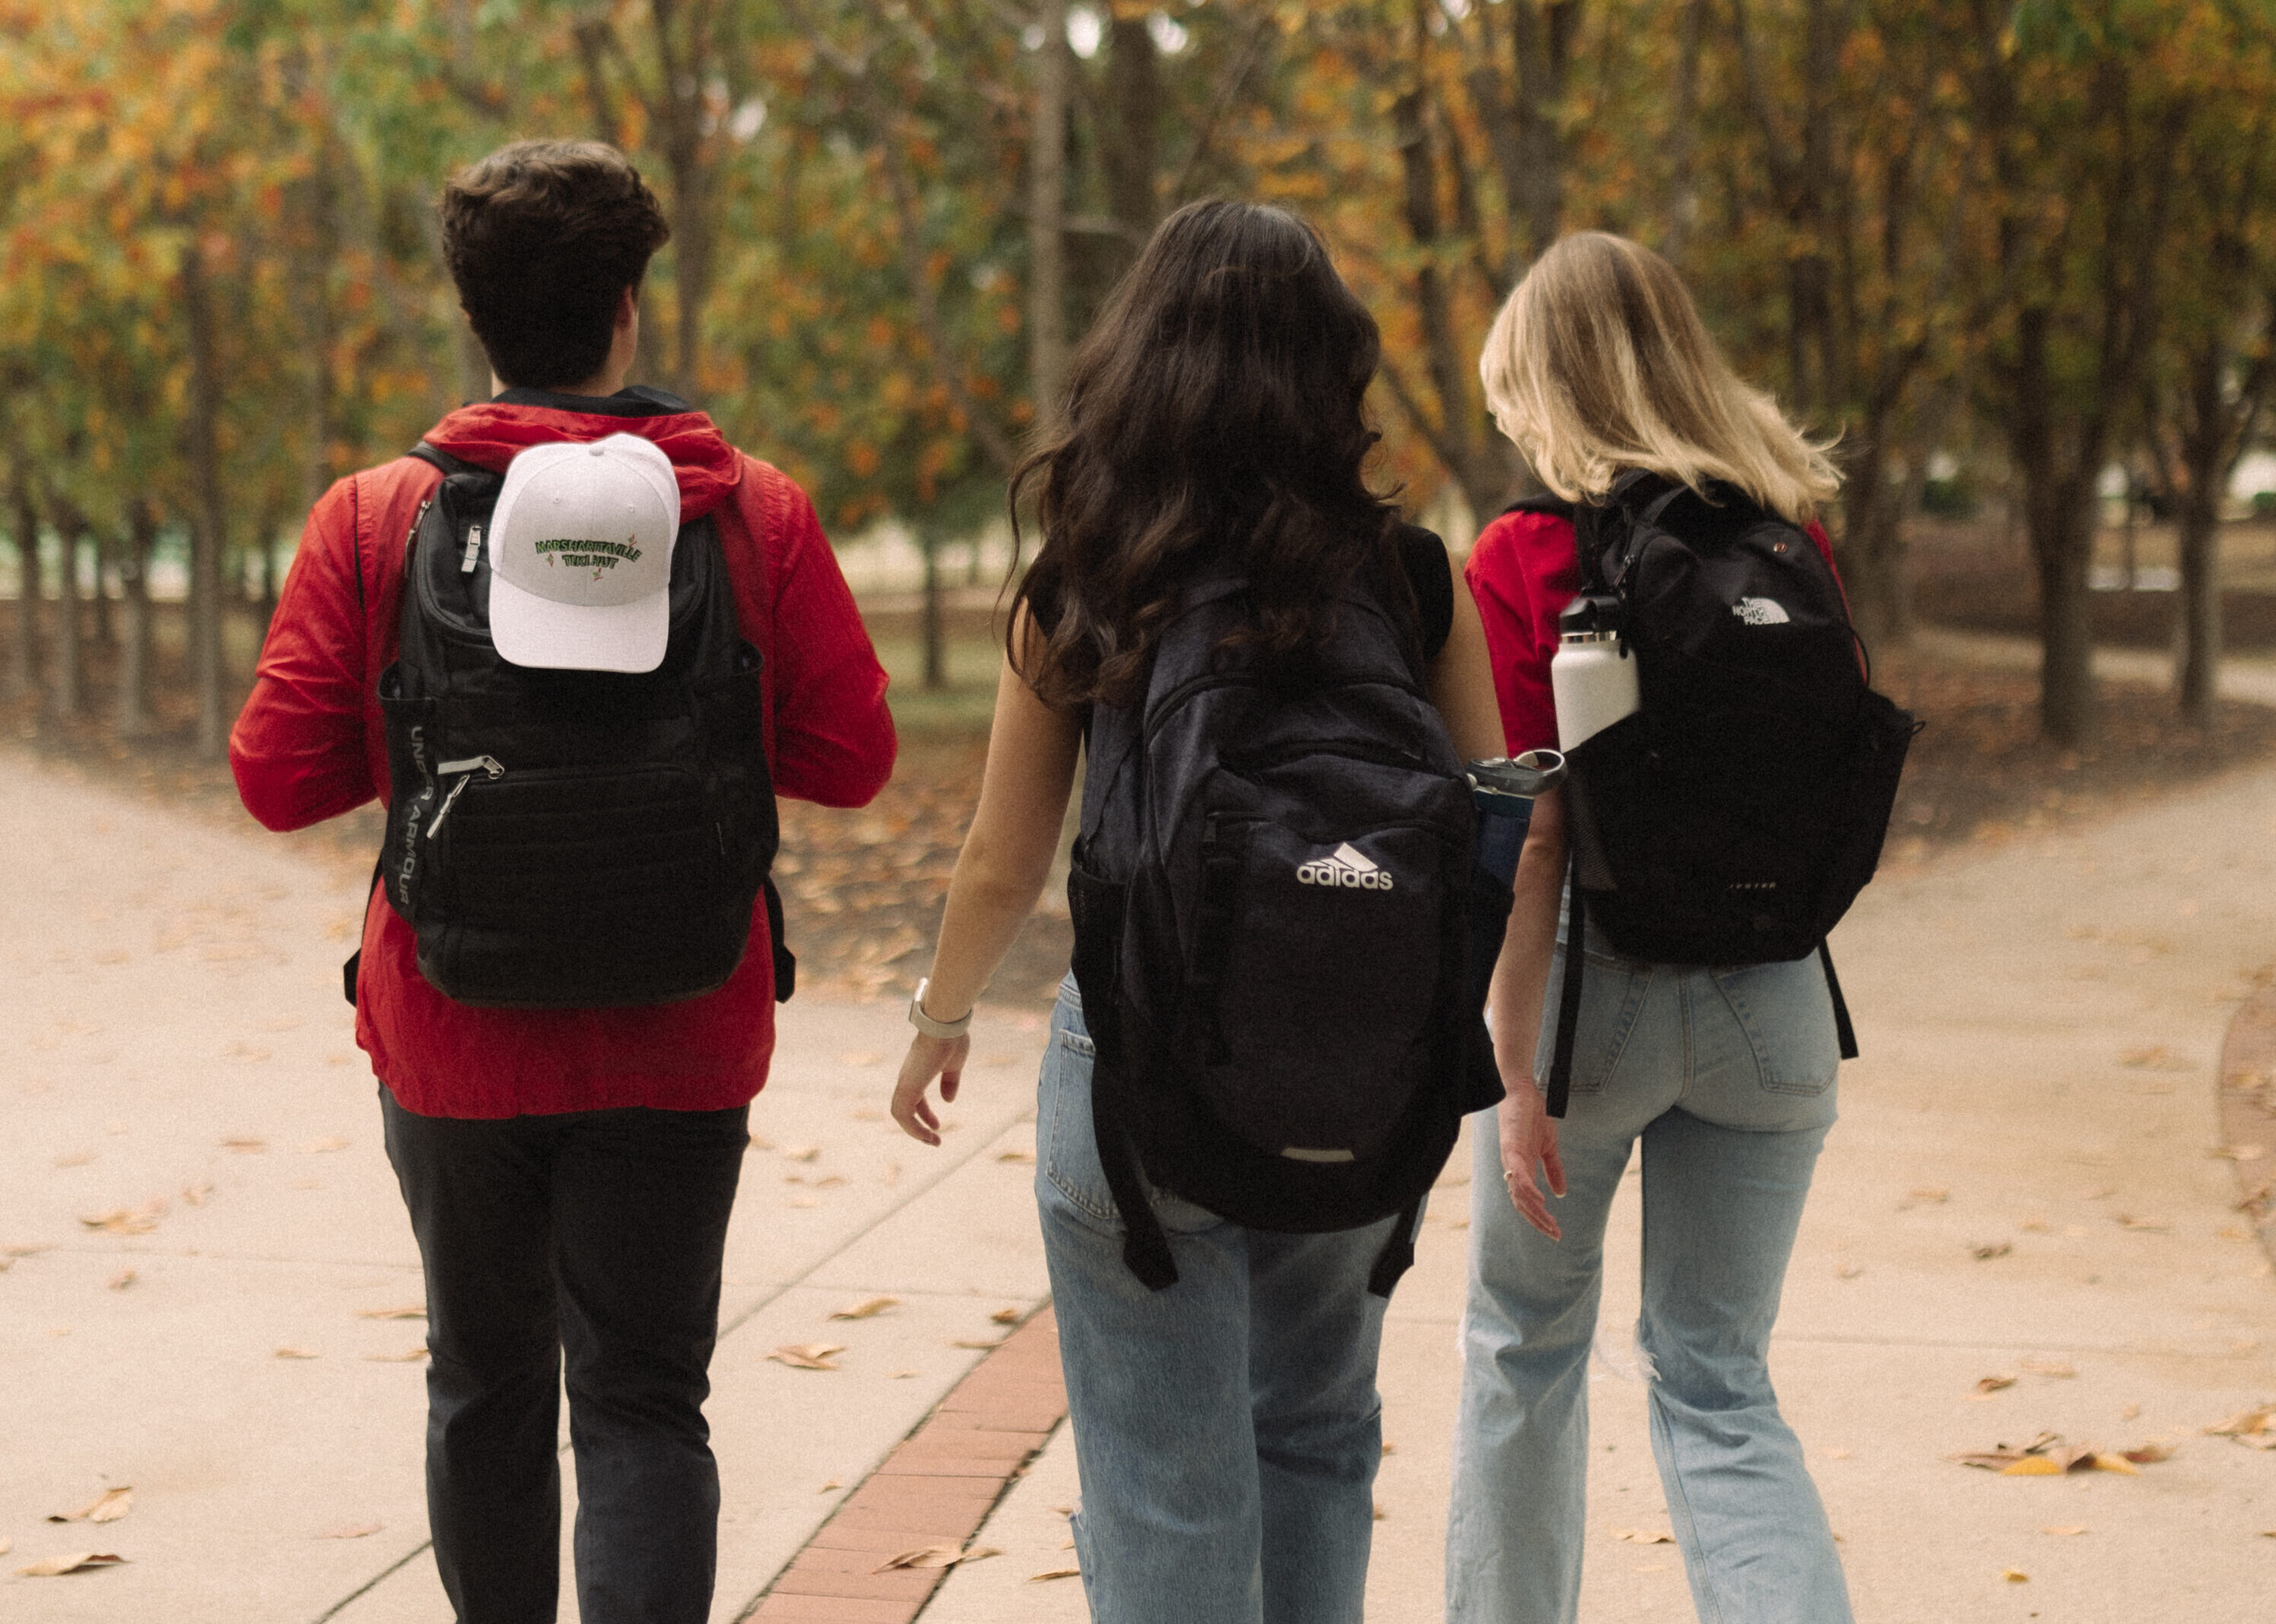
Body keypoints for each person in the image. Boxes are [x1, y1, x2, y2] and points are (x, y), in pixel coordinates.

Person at [229, 140, 895, 1623]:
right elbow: (850, 757)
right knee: (647, 1400)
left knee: (483, 1388)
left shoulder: (373, 519)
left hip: (451, 1036)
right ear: (628, 308)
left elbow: (276, 779)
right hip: (681, 1025)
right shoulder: (753, 512)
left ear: (474, 318)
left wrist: (422, 748)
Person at [886, 198, 1511, 1624]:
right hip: (1362, 1067)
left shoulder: (1091, 581)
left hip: (1137, 1069)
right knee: (1315, 1438)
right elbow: (1487, 827)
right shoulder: (1414, 581)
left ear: (1144, 362)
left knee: (1169, 1486)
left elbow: (1001, 857)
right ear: (1330, 367)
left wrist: (940, 1016)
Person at [1446, 230, 1855, 1623]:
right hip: (1780, 1002)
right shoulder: (1789, 545)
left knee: (1522, 1350)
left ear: (1551, 390)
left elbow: (1531, 828)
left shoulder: (1519, 554)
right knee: (1720, 1379)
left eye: (1514, 395)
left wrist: (1506, 1069)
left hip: (1585, 1011)